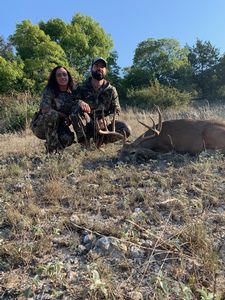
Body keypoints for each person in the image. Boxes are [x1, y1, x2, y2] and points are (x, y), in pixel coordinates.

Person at [71, 57, 131, 147]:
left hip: (105, 124)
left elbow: (117, 109)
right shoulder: (81, 87)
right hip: (88, 123)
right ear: (91, 68)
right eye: (96, 66)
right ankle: (84, 143)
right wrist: (79, 102)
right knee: (75, 110)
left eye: (102, 67)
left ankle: (101, 142)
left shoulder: (111, 90)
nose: (99, 68)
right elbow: (72, 102)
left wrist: (107, 120)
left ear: (105, 71)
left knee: (126, 129)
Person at [31, 66, 75, 153]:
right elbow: (44, 109)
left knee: (68, 139)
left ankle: (56, 146)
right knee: (53, 114)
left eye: (64, 74)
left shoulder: (72, 93)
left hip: (59, 125)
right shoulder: (49, 90)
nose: (62, 77)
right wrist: (63, 116)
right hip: (41, 126)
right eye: (59, 75)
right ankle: (52, 150)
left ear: (68, 76)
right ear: (55, 78)